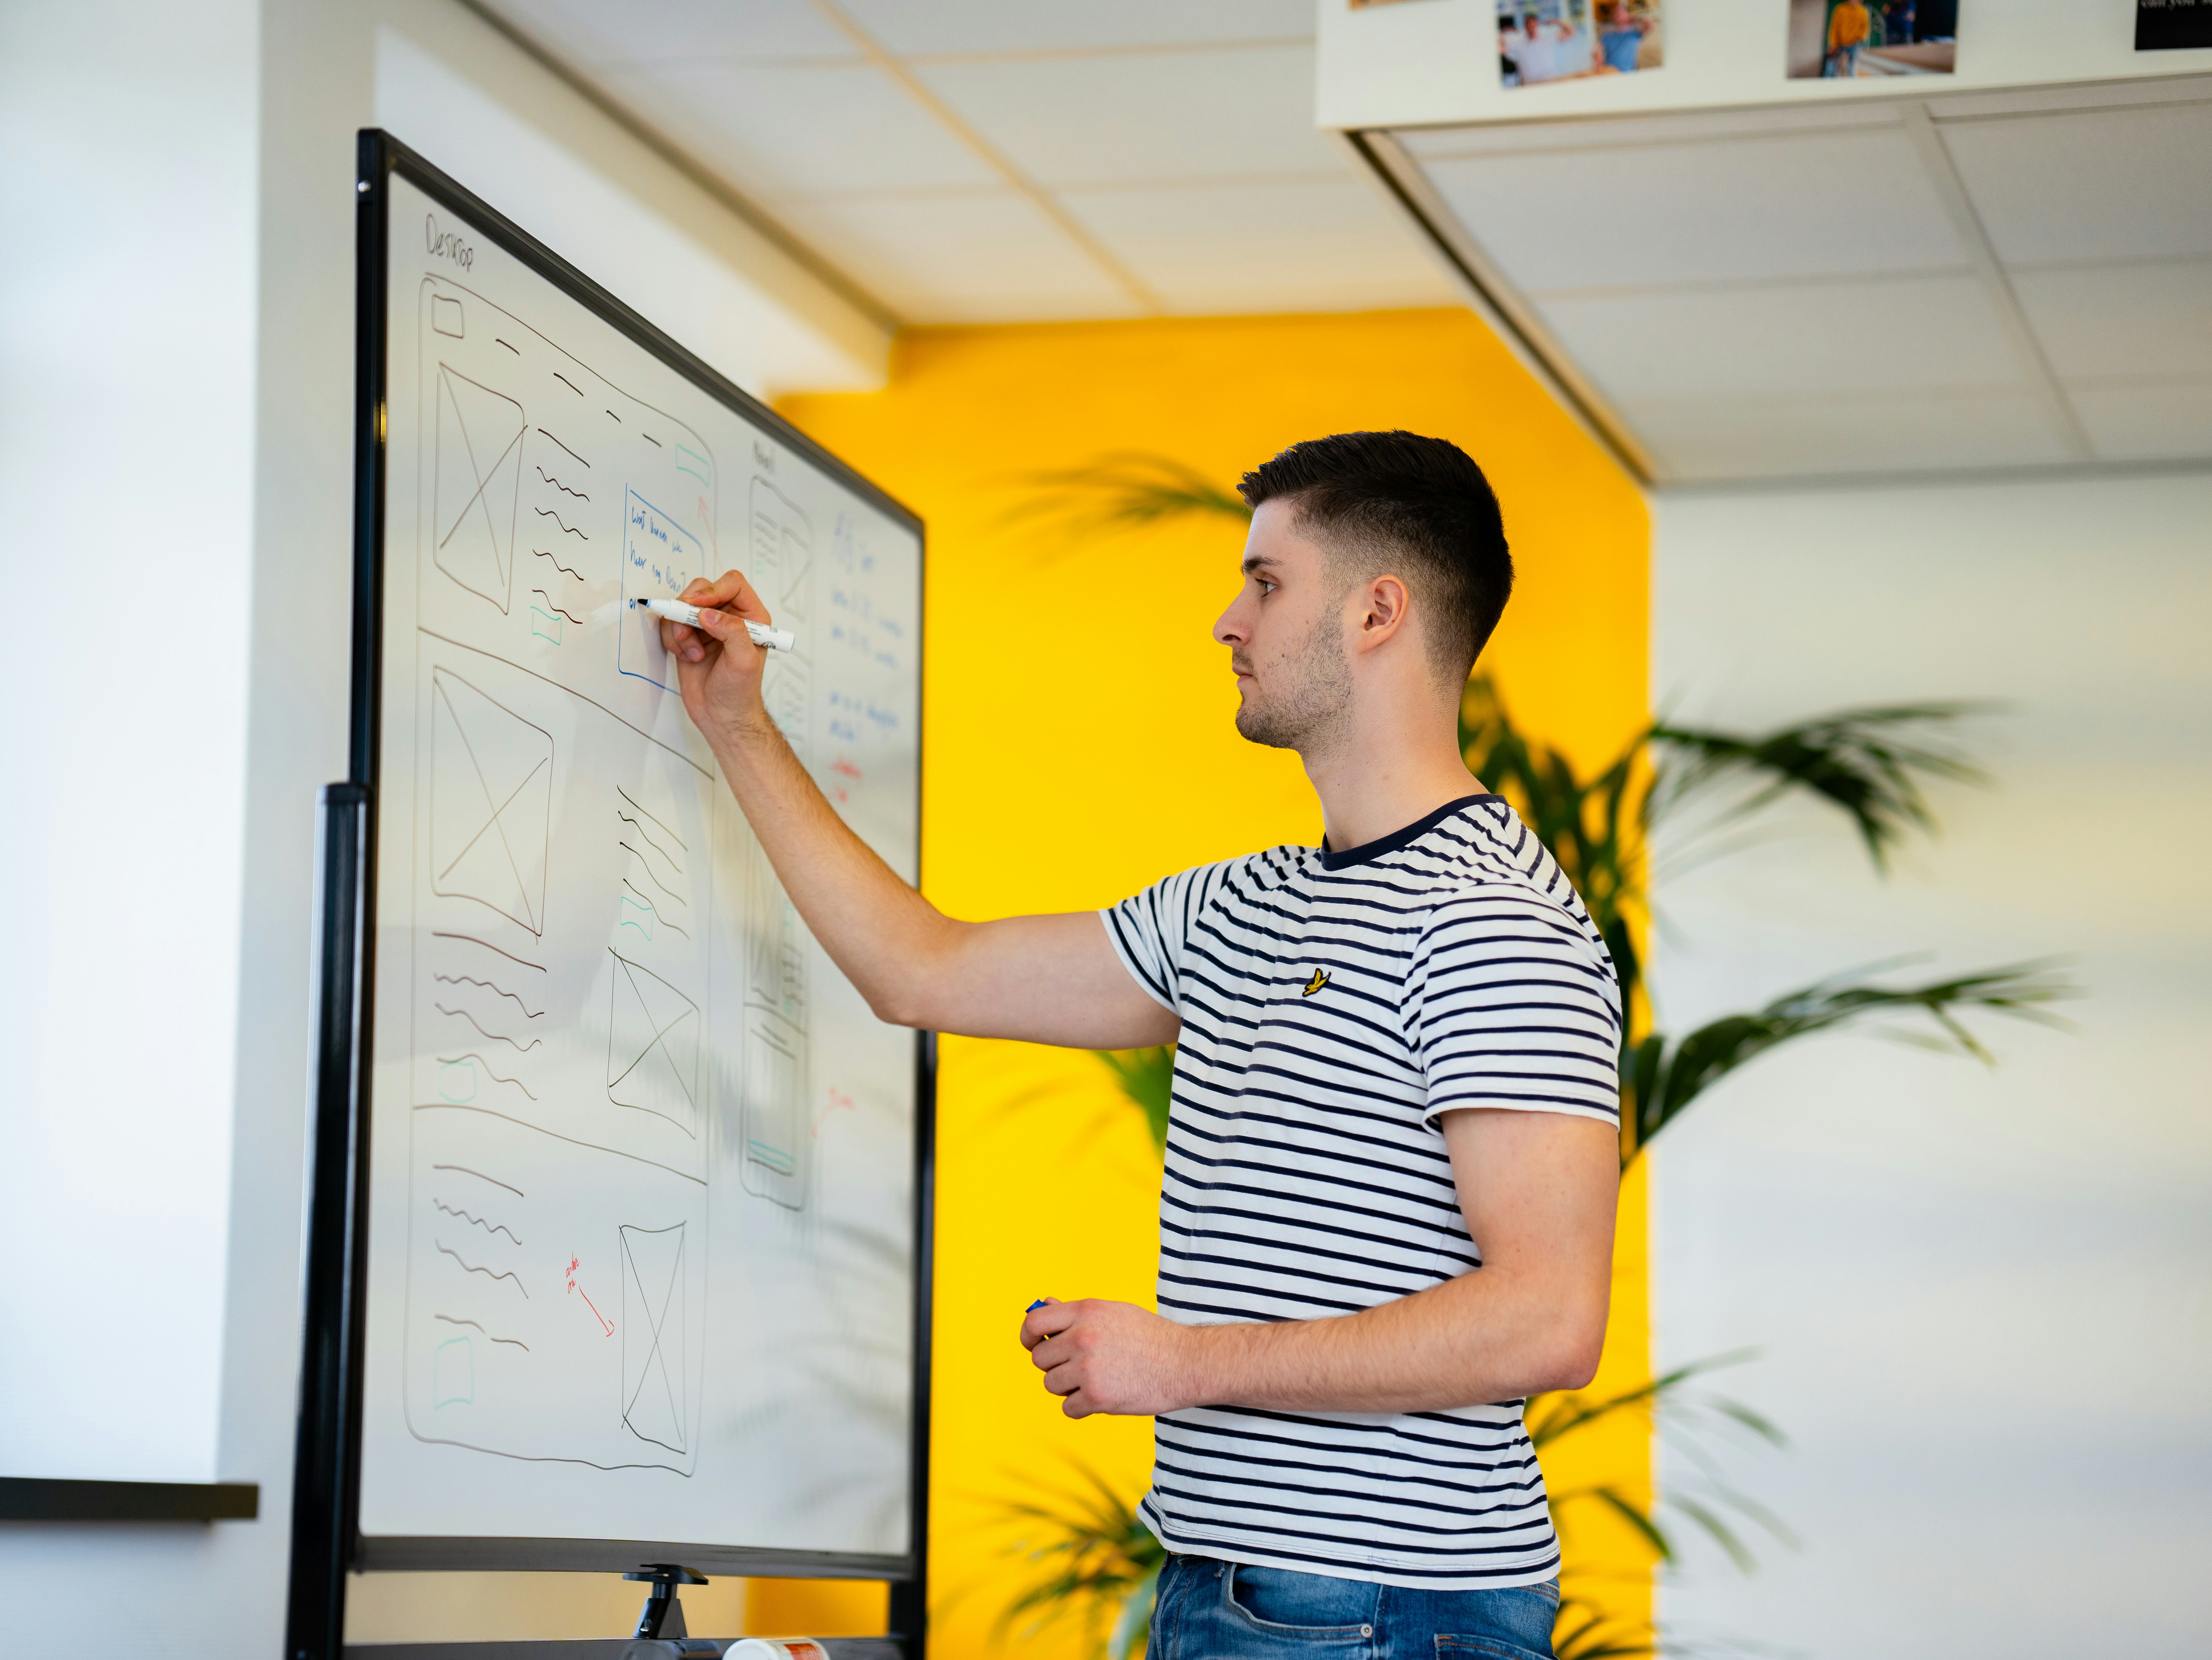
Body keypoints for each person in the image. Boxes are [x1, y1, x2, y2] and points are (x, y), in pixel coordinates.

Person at [657, 431, 1623, 1658]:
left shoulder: (1491, 922)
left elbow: (1548, 1319)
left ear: (1380, 613)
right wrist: (736, 723)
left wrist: (1182, 1361)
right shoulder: (1241, 906)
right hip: (1234, 1592)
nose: (1229, 620)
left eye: (1267, 582)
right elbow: (920, 968)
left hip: (1382, 1611)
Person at [1826, 0, 1870, 76]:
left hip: (1854, 43)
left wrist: (1861, 38)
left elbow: (1865, 27)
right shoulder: (1841, 9)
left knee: (1851, 68)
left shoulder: (1863, 11)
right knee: (1832, 67)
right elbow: (1835, 27)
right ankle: (1828, 85)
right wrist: (1833, 43)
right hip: (1839, 43)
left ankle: (1852, 86)